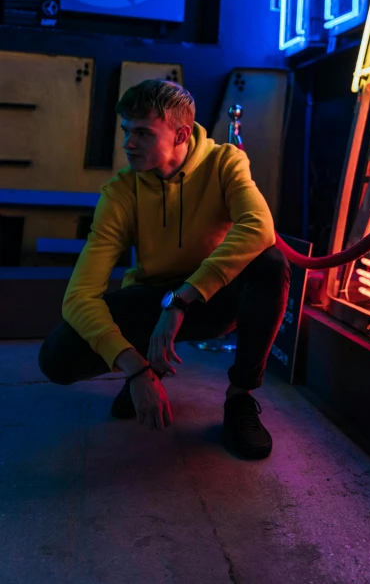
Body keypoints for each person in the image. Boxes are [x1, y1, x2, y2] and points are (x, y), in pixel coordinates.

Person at [38, 80, 291, 459]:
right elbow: (78, 297)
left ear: (181, 134)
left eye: (142, 132)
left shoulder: (225, 163)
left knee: (271, 265)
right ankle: (144, 367)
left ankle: (240, 398)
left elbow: (259, 227)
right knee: (56, 358)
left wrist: (181, 301)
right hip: (152, 300)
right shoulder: (120, 192)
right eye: (126, 131)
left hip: (209, 299)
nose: (128, 143)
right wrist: (134, 367)